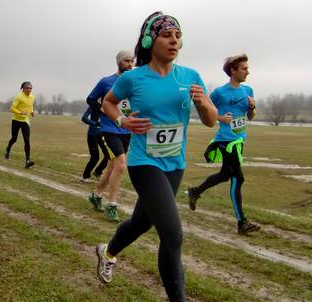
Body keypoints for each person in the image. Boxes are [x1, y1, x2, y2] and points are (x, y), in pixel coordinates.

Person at [95, 12, 217, 302]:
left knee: (141, 222)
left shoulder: (190, 76)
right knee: (172, 235)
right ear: (150, 40)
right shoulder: (134, 78)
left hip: (175, 164)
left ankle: (107, 252)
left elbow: (212, 120)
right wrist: (123, 121)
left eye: (178, 36)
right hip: (143, 162)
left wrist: (202, 104)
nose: (174, 41)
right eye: (167, 35)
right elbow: (107, 103)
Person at [187, 54, 260, 235]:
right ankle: (241, 222)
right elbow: (205, 109)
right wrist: (220, 117)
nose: (247, 72)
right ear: (233, 70)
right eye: (244, 68)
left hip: (239, 139)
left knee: (225, 175)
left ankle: (195, 192)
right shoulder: (219, 93)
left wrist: (251, 107)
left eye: (247, 68)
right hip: (225, 141)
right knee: (238, 178)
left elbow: (251, 117)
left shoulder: (248, 90)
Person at [87, 50, 134, 222]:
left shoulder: (134, 82)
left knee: (112, 167)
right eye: (127, 61)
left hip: (126, 131)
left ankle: (96, 194)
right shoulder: (106, 82)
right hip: (108, 130)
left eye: (132, 61)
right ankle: (112, 205)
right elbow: (90, 99)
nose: (130, 64)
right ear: (119, 62)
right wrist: (104, 109)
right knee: (121, 166)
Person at [5, 81, 35, 168]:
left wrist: (32, 112)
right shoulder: (19, 97)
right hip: (16, 120)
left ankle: (27, 160)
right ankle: (8, 148)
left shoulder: (32, 97)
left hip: (25, 121)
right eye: (27, 88)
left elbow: (30, 105)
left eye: (30, 88)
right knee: (14, 138)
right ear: (23, 88)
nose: (29, 90)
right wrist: (20, 113)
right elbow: (11, 108)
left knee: (27, 140)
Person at [80, 103, 109, 183]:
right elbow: (84, 118)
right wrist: (95, 123)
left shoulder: (108, 104)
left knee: (109, 155)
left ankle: (98, 172)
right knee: (95, 157)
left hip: (103, 134)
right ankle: (85, 176)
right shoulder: (93, 105)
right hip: (92, 134)